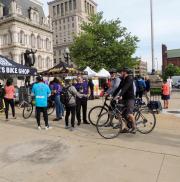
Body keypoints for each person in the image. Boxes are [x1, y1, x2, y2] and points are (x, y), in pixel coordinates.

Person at [116, 68, 137, 134]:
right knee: (123, 114)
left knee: (129, 113)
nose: (120, 73)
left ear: (125, 72)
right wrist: (113, 95)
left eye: (121, 72)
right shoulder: (123, 79)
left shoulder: (129, 78)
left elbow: (125, 88)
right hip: (124, 98)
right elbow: (119, 88)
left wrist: (120, 95)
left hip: (130, 98)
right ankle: (127, 127)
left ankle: (134, 127)